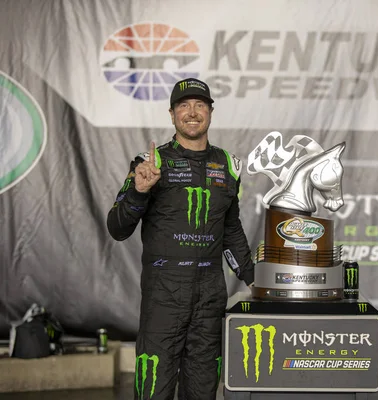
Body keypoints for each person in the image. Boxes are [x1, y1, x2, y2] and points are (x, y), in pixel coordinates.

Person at [107, 78, 255, 400]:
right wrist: (138, 191)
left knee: (202, 391)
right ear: (172, 114)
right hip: (164, 294)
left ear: (210, 113)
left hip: (210, 295)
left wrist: (255, 280)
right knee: (153, 390)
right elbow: (117, 229)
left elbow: (231, 231)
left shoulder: (228, 166)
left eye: (199, 105)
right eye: (183, 106)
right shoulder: (150, 164)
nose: (192, 112)